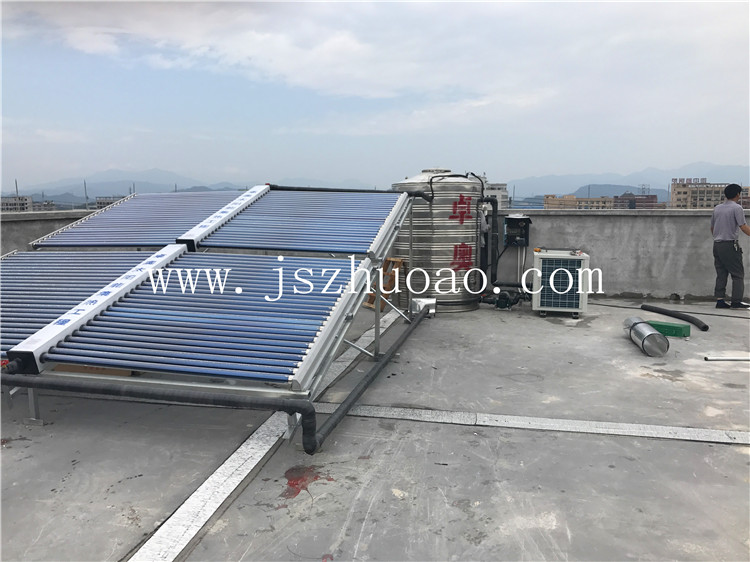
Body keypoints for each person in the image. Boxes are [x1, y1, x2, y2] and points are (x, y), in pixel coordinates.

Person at [710, 183, 750, 309]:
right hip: (729, 244)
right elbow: (743, 226)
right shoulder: (737, 208)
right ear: (737, 194)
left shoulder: (717, 208)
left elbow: (712, 227)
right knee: (737, 274)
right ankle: (736, 301)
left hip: (717, 244)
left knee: (721, 273)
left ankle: (720, 300)